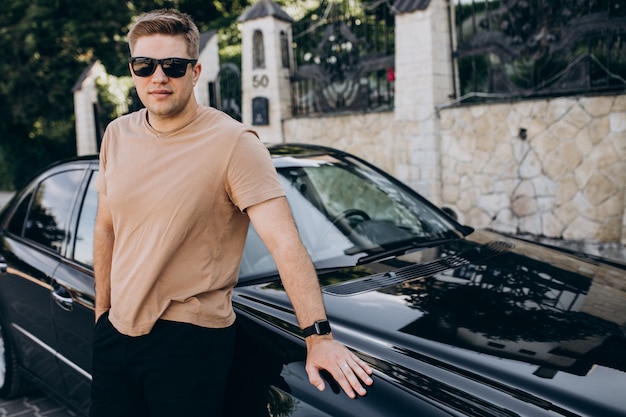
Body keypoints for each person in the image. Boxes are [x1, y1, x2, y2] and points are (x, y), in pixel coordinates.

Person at [91, 9, 373, 417]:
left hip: (189, 341)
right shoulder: (117, 134)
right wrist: (103, 315)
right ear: (132, 69)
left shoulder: (234, 143)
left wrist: (318, 336)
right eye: (144, 65)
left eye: (172, 65)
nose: (158, 77)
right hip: (116, 335)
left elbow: (284, 241)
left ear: (195, 70)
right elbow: (105, 229)